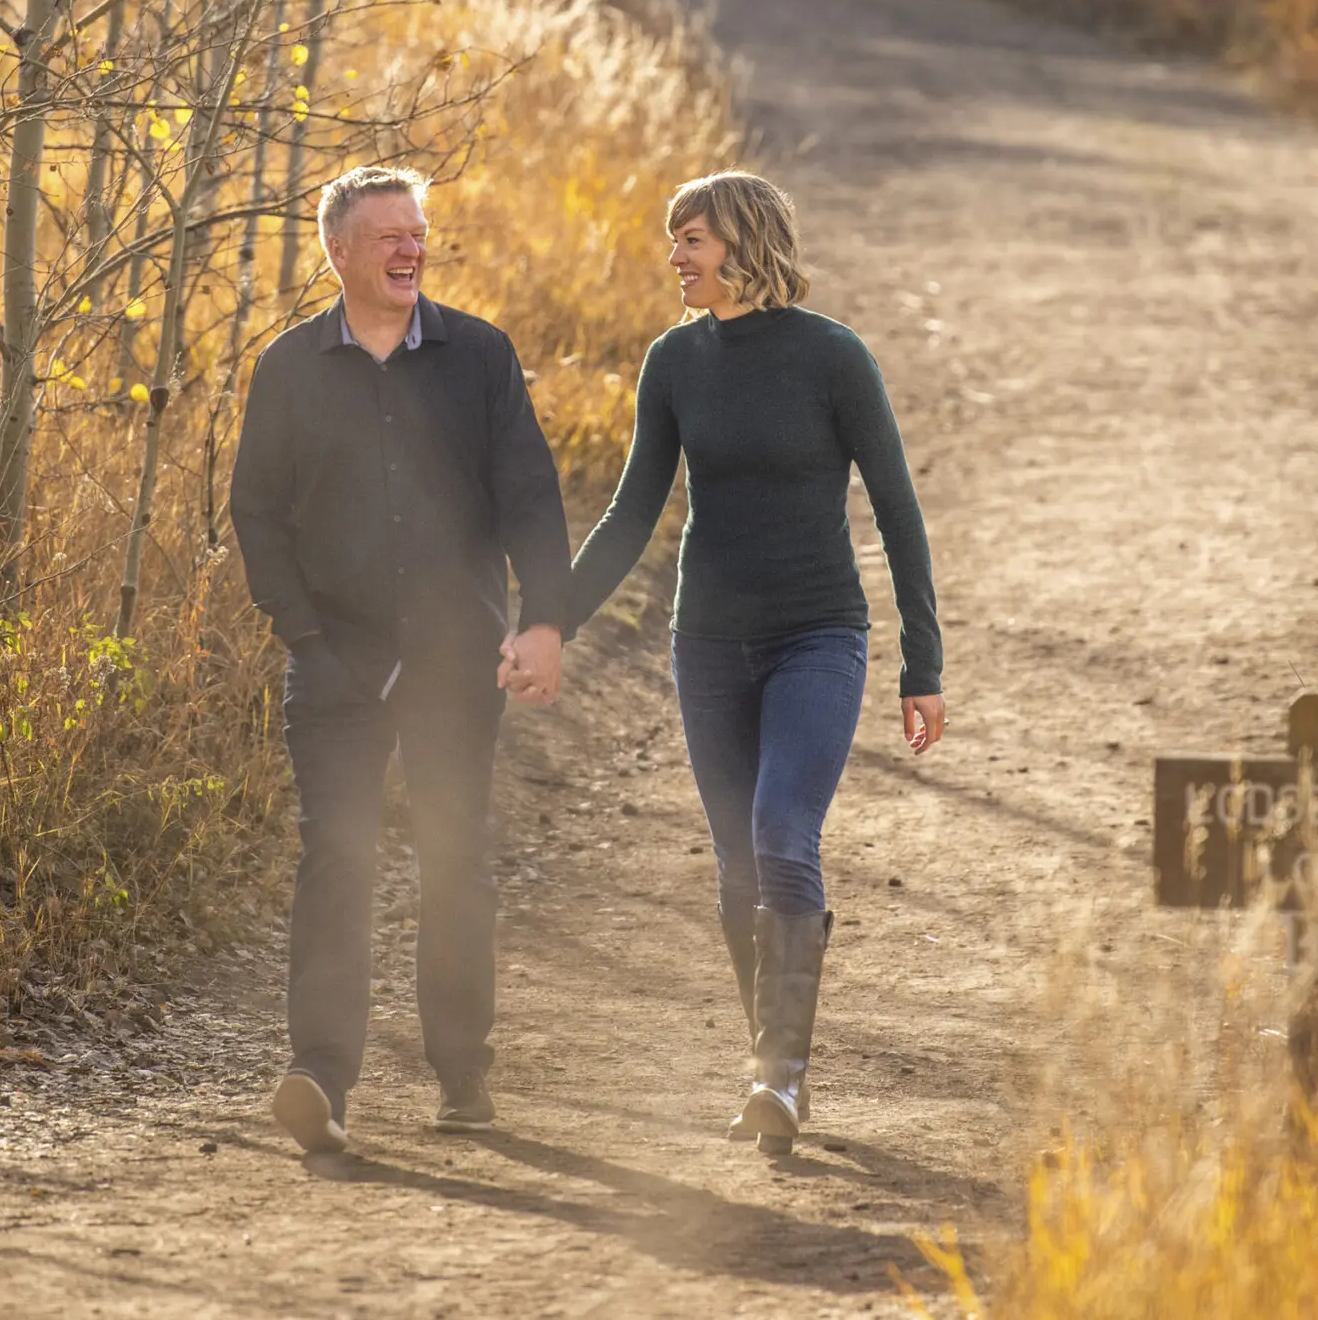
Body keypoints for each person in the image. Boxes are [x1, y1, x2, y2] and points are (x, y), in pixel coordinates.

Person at [556, 170, 946, 1156]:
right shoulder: (674, 361)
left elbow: (897, 508)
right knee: (737, 864)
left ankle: (779, 1069)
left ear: (742, 240)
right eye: (672, 239)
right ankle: (772, 1057)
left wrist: (920, 661)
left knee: (781, 832)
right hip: (709, 643)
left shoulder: (832, 357)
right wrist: (547, 619)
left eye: (690, 238)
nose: (675, 256)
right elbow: (631, 513)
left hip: (817, 632)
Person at [230, 163, 570, 1155]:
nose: (409, 248)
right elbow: (256, 509)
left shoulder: (479, 356)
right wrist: (301, 633)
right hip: (333, 659)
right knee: (335, 855)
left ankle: (462, 1074)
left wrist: (544, 616)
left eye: (417, 232)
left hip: (454, 659)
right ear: (337, 251)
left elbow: (529, 494)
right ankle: (319, 1077)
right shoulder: (290, 367)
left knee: (453, 858)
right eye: (387, 235)